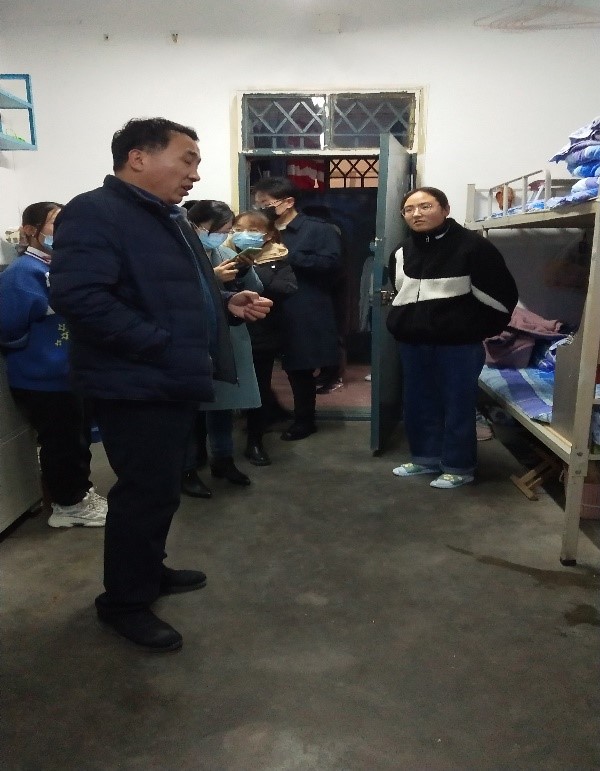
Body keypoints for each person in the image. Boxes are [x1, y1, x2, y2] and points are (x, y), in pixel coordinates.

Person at [49, 118, 272, 652]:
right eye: (187, 159)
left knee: (161, 488)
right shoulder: (96, 212)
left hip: (165, 375)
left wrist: (227, 304)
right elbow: (81, 298)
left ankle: (148, 571)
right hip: (134, 380)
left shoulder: (165, 217)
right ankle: (123, 603)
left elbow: (178, 290)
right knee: (143, 493)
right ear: (139, 158)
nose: (194, 174)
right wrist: (161, 345)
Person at [386, 186, 518, 489]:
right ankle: (425, 459)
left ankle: (459, 466)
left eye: (425, 206)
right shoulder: (401, 251)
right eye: (409, 209)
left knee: (457, 405)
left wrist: (472, 329)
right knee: (418, 402)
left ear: (445, 209)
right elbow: (400, 293)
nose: (416, 214)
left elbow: (502, 297)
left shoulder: (473, 247)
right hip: (412, 343)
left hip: (458, 347)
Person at [0, 202, 107, 528]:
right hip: (43, 378)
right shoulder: (23, 274)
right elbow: (8, 327)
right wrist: (38, 350)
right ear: (30, 230)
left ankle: (80, 491)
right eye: (55, 224)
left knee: (78, 440)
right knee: (61, 444)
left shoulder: (61, 267)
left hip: (71, 372)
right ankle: (67, 505)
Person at [253, 177, 342, 440]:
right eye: (258, 204)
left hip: (302, 306)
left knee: (299, 367)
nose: (261, 209)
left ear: (288, 202)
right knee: (260, 366)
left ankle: (305, 420)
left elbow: (332, 264)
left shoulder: (317, 229)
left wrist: (289, 256)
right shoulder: (261, 229)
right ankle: (267, 414)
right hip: (266, 306)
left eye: (266, 203)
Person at [184, 199, 263, 492]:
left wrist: (245, 272)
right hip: (193, 339)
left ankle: (223, 460)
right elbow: (175, 295)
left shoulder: (226, 252)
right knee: (189, 409)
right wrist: (212, 278)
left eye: (226, 230)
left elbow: (257, 289)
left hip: (228, 337)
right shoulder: (180, 254)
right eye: (216, 230)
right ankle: (187, 469)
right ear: (194, 226)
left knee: (224, 403)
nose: (221, 236)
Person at [226, 210, 298, 466]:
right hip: (227, 333)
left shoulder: (278, 258)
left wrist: (253, 272)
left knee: (260, 389)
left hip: (262, 334)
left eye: (253, 230)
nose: (244, 235)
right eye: (239, 230)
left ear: (268, 235)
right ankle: (211, 449)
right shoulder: (221, 255)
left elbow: (287, 288)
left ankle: (255, 441)